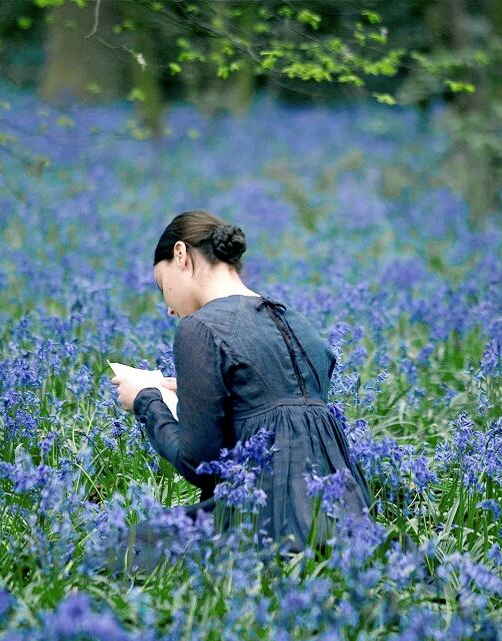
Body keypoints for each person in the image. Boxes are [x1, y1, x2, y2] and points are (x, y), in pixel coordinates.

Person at [109, 210, 374, 572]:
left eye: (162, 284)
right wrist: (193, 392)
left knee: (117, 551)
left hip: (264, 519)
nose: (168, 307)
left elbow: (200, 465)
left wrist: (145, 400)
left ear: (182, 256)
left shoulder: (200, 328)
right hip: (343, 519)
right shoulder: (300, 324)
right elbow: (277, 409)